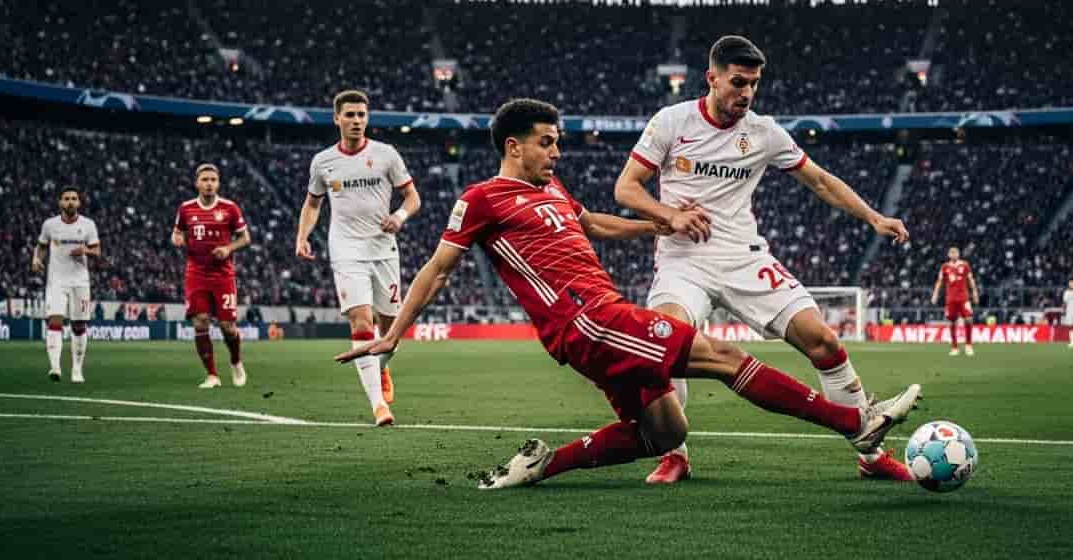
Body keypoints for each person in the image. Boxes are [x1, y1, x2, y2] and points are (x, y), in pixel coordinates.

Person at [337, 99, 922, 490]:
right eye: (547, 143)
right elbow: (437, 270)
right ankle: (854, 425)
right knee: (722, 356)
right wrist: (394, 334)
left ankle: (543, 464)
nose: (557, 152)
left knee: (665, 432)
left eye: (558, 142)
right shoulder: (483, 198)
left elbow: (594, 224)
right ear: (514, 146)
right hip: (585, 320)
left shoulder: (555, 188)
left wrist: (658, 223)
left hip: (600, 319)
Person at [613, 36, 915, 484]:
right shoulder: (671, 122)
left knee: (824, 342)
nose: (747, 93)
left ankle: (870, 453)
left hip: (743, 258)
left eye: (754, 84)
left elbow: (820, 181)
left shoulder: (763, 132)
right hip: (683, 263)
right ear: (711, 78)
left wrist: (873, 217)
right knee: (667, 345)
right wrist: (670, 215)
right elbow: (627, 188)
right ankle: (674, 453)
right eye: (738, 82)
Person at [297, 90, 421, 426]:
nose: (356, 121)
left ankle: (381, 368)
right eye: (349, 115)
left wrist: (399, 217)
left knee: (391, 328)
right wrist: (303, 235)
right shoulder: (323, 162)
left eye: (361, 115)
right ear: (336, 118)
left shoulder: (386, 155)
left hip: (383, 249)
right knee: (361, 321)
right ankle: (379, 405)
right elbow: (313, 204)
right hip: (345, 249)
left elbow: (412, 197)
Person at [171, 163, 251, 388]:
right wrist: (177, 239)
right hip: (196, 274)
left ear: (218, 183)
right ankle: (213, 375)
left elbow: (245, 238)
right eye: (205, 180)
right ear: (197, 183)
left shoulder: (230, 208)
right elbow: (176, 234)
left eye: (213, 180)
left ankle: (236, 361)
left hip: (223, 275)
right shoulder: (186, 209)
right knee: (200, 322)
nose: (209, 184)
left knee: (228, 327)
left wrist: (228, 249)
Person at [31, 186, 100, 383]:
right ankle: (55, 367)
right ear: (60, 202)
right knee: (55, 321)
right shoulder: (50, 225)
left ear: (79, 202)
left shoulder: (88, 225)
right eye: (67, 198)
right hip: (56, 281)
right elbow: (42, 246)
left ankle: (77, 370)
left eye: (74, 198)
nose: (70, 202)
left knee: (79, 325)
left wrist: (84, 250)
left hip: (80, 281)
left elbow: (97, 251)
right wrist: (36, 259)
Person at [931, 246, 980, 357]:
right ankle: (954, 347)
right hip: (951, 299)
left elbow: (970, 280)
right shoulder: (945, 267)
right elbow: (939, 281)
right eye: (951, 253)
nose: (953, 254)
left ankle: (968, 345)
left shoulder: (965, 265)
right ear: (949, 255)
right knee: (952, 322)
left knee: (968, 319)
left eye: (955, 252)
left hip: (964, 298)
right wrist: (935, 294)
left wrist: (975, 293)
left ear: (958, 254)